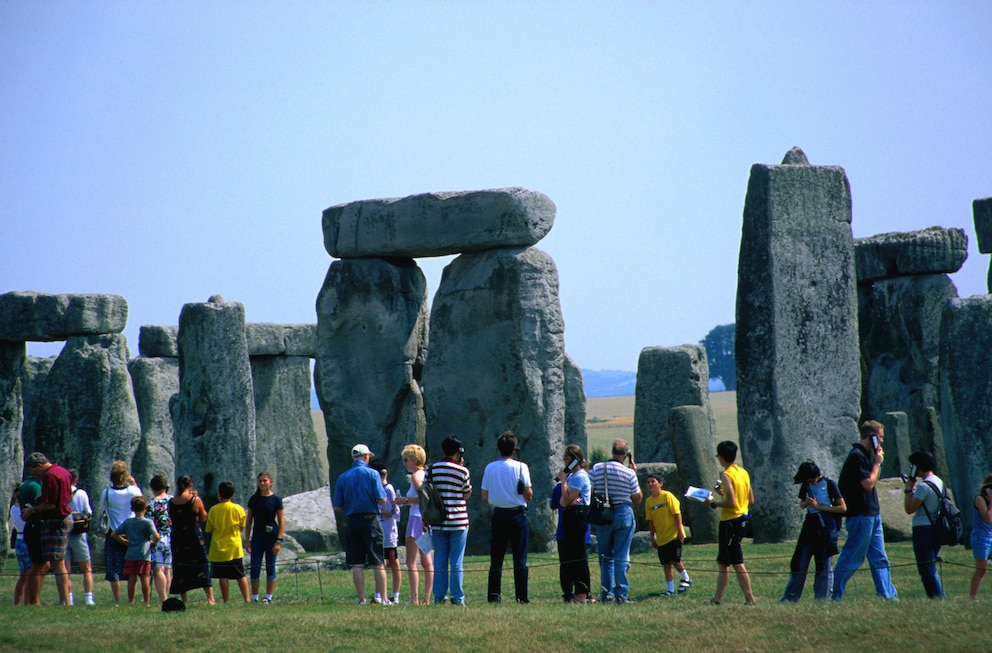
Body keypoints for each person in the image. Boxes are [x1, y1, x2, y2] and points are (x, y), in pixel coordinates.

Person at [831, 420, 898, 601]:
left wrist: (875, 460)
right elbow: (868, 483)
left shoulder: (867, 455)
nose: (882, 442)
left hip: (871, 513)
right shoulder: (857, 456)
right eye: (880, 438)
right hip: (860, 514)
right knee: (853, 555)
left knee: (879, 557)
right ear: (872, 437)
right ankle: (834, 593)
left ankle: (887, 595)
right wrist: (877, 463)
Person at [780, 461, 845, 602]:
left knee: (823, 565)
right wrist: (806, 503)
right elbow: (802, 504)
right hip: (810, 526)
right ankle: (790, 598)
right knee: (799, 562)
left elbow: (842, 508)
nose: (809, 483)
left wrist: (819, 506)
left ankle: (822, 598)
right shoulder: (806, 485)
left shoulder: (829, 484)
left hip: (826, 528)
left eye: (810, 480)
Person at [333, 444, 389, 605]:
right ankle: (384, 599)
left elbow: (337, 505)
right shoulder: (373, 474)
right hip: (370, 520)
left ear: (353, 458)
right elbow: (382, 499)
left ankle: (361, 599)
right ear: (366, 456)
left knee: (357, 563)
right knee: (378, 561)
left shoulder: (343, 477)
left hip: (352, 521)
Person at [481, 430, 533, 604]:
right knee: (520, 558)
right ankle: (522, 596)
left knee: (496, 558)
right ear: (514, 449)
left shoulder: (490, 467)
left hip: (499, 514)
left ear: (498, 448)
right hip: (517, 514)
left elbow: (484, 496)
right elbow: (528, 494)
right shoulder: (521, 467)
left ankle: (494, 596)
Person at [589, 439, 642, 604]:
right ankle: (621, 594)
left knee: (605, 557)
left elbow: (590, 489)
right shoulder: (629, 473)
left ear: (612, 452)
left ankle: (606, 594)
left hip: (603, 514)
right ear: (626, 455)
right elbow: (637, 498)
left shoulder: (598, 468)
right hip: (623, 512)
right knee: (620, 555)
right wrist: (634, 472)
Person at [703, 440, 755, 605]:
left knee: (736, 562)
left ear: (721, 457)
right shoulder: (742, 472)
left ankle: (750, 598)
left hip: (730, 521)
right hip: (743, 518)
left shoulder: (726, 475)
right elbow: (750, 499)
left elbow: (731, 503)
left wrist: (713, 503)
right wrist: (723, 493)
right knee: (724, 562)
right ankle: (717, 599)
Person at [22, 452, 74, 606]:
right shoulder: (63, 472)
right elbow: (68, 496)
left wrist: (32, 510)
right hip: (66, 517)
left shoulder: (50, 476)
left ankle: (64, 601)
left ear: (39, 465)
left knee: (58, 562)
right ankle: (65, 599)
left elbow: (50, 504)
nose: (35, 474)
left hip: (57, 520)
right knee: (60, 561)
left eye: (34, 470)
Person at [431, 435, 472, 605]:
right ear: (458, 452)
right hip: (458, 520)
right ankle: (458, 597)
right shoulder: (462, 471)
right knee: (456, 561)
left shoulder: (433, 469)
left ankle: (439, 596)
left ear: (443, 450)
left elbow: (428, 492)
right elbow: (466, 493)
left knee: (440, 560)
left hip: (438, 520)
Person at [98, 460, 142, 605]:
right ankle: (131, 599)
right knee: (132, 570)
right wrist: (134, 483)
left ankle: (117, 600)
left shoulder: (107, 493)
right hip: (131, 533)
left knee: (114, 570)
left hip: (113, 533)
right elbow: (141, 502)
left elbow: (101, 511)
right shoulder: (133, 491)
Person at [903, 450, 946, 599]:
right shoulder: (939, 481)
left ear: (918, 466)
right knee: (931, 566)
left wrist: (908, 488)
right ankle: (939, 597)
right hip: (936, 528)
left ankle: (937, 598)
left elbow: (909, 508)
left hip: (923, 529)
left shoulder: (923, 486)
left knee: (926, 569)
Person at [394, 444, 434, 605]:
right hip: (426, 520)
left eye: (406, 460)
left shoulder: (416, 477)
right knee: (427, 561)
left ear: (414, 460)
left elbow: (423, 498)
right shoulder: (427, 474)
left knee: (411, 562)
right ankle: (426, 598)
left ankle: (414, 598)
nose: (404, 463)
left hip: (416, 518)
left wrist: (405, 500)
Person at [554, 444, 592, 603]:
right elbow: (564, 501)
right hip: (570, 515)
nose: (564, 461)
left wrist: (563, 481)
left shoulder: (580, 476)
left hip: (578, 516)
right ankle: (570, 592)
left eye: (567, 458)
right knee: (569, 556)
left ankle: (582, 592)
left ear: (575, 459)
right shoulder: (571, 477)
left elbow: (568, 497)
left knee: (578, 555)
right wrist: (567, 497)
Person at [168, 474, 214, 604]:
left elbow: (172, 517)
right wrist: (195, 497)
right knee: (201, 564)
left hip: (178, 538)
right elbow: (204, 517)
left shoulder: (171, 502)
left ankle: (184, 598)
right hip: (193, 537)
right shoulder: (195, 500)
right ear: (190, 485)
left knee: (180, 566)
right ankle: (210, 598)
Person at [644, 473, 692, 597]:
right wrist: (652, 537)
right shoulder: (649, 502)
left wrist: (680, 531)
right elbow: (651, 521)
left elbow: (677, 513)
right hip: (661, 537)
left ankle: (686, 578)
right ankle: (670, 590)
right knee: (666, 564)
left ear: (660, 483)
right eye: (648, 482)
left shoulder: (667, 496)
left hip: (673, 535)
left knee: (675, 560)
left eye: (653, 481)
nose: (650, 484)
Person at [206, 480, 250, 603]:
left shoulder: (213, 510)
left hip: (218, 548)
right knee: (240, 574)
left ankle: (226, 600)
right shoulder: (239, 509)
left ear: (219, 494)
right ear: (233, 495)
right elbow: (242, 527)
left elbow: (209, 529)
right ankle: (247, 599)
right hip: (234, 547)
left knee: (222, 576)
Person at [112, 494, 160, 606]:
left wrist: (124, 541)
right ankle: (147, 601)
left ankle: (131, 601)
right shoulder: (147, 522)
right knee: (144, 578)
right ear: (146, 508)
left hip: (130, 553)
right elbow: (156, 536)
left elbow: (114, 534)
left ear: (132, 509)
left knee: (131, 578)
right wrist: (153, 543)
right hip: (144, 553)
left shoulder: (128, 522)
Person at [245, 471, 285, 604]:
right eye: (260, 481)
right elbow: (249, 520)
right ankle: (255, 597)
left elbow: (281, 521)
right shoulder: (254, 499)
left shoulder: (276, 499)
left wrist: (278, 540)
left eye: (265, 481)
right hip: (257, 536)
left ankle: (268, 597)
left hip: (271, 536)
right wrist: (247, 540)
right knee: (255, 566)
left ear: (270, 482)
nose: (262, 483)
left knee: (270, 566)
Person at [371, 462, 402, 605]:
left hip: (388, 531)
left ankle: (395, 595)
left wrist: (385, 512)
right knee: (379, 561)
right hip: (378, 528)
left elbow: (396, 512)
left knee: (392, 562)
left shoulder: (388, 489)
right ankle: (379, 593)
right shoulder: (375, 489)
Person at [66, 468, 95, 606]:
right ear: (76, 480)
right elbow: (88, 512)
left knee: (65, 569)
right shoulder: (81, 493)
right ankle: (88, 598)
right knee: (86, 568)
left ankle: (69, 598)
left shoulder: (61, 492)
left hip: (64, 532)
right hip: (79, 533)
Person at [146, 474, 173, 605]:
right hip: (172, 537)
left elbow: (149, 524)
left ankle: (163, 598)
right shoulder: (173, 501)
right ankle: (166, 595)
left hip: (157, 538)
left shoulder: (151, 503)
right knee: (167, 569)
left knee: (158, 569)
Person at [969, 475, 992, 599]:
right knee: (981, 570)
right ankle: (973, 597)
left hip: (990, 537)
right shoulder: (980, 499)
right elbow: (987, 518)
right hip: (981, 538)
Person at [9, 483, 31, 605]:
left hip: (18, 539)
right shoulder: (25, 508)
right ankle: (28, 602)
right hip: (27, 539)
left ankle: (17, 602)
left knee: (22, 575)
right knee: (30, 574)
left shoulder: (13, 508)